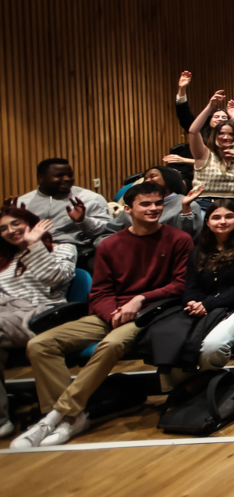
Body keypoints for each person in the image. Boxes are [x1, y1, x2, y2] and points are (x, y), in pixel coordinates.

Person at [13, 183, 192, 448]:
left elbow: (180, 284)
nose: (153, 208)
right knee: (40, 344)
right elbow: (99, 292)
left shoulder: (179, 239)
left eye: (158, 203)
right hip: (113, 313)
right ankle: (74, 418)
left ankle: (55, 416)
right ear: (128, 209)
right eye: (145, 203)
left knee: (111, 344)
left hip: (152, 312)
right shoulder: (109, 245)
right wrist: (111, 315)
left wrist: (140, 299)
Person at [140, 200, 234, 380]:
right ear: (207, 222)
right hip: (206, 306)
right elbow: (191, 286)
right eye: (216, 217)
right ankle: (181, 391)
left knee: (212, 347)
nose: (222, 221)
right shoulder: (198, 250)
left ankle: (206, 384)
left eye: (228, 217)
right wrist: (192, 302)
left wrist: (206, 304)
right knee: (167, 336)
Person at [0, 201, 76, 438]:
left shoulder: (62, 249)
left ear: (31, 223)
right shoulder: (4, 260)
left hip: (44, 315)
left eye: (16, 223)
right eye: (3, 228)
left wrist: (34, 245)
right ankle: (2, 421)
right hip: (6, 316)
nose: (11, 230)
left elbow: (55, 279)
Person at [16, 159, 115, 265]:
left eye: (70, 175)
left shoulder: (90, 198)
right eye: (59, 175)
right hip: (34, 255)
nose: (67, 179)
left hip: (80, 256)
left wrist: (83, 221)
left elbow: (108, 232)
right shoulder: (22, 203)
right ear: (41, 178)